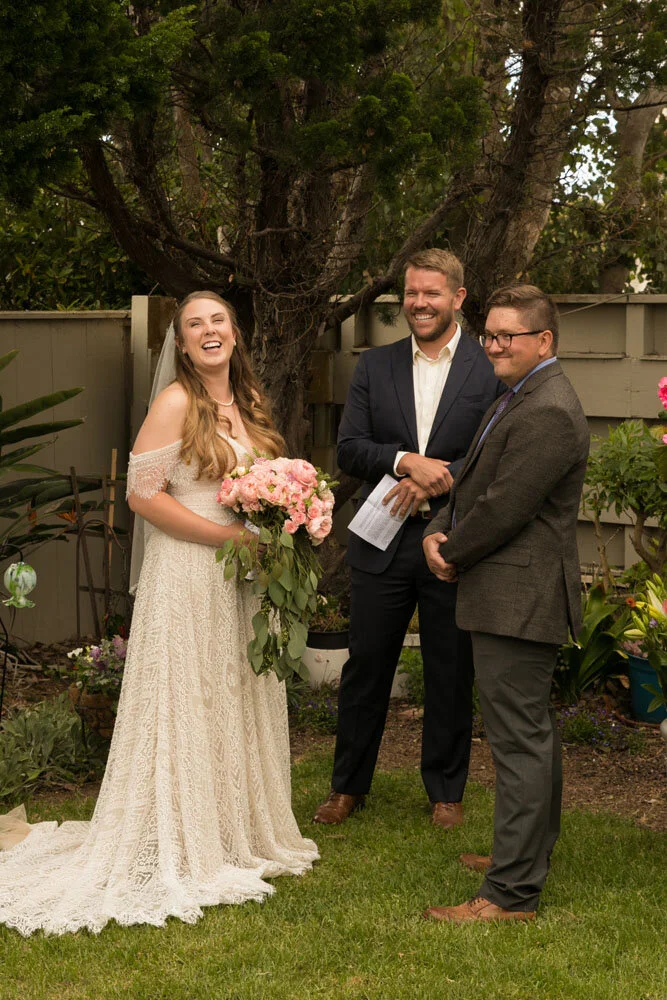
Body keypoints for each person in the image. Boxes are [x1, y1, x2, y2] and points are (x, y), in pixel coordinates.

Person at [0, 291, 317, 936]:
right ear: (180, 340)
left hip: (242, 582)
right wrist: (234, 539)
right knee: (187, 696)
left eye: (218, 321)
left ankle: (232, 830)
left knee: (231, 693)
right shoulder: (176, 402)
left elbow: (259, 487)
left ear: (235, 333)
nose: (208, 332)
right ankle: (182, 832)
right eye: (194, 325)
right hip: (190, 573)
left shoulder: (248, 404)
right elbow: (141, 497)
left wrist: (287, 519)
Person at [313, 249, 504, 828]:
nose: (420, 304)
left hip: (455, 541)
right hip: (381, 541)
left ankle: (445, 791)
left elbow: (495, 454)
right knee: (366, 666)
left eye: (432, 293)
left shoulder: (488, 367)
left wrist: (436, 481)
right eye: (411, 294)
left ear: (458, 299)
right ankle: (348, 786)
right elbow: (350, 448)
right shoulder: (376, 367)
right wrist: (405, 461)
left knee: (450, 669)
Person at [422, 284, 589, 923]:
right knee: (529, 736)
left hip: (519, 596)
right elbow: (474, 480)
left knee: (520, 741)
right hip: (508, 592)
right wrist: (442, 523)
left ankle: (511, 894)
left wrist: (450, 550)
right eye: (487, 335)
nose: (491, 347)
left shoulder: (548, 408)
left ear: (543, 341)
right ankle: (521, 857)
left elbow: (505, 508)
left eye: (505, 337)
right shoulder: (522, 393)